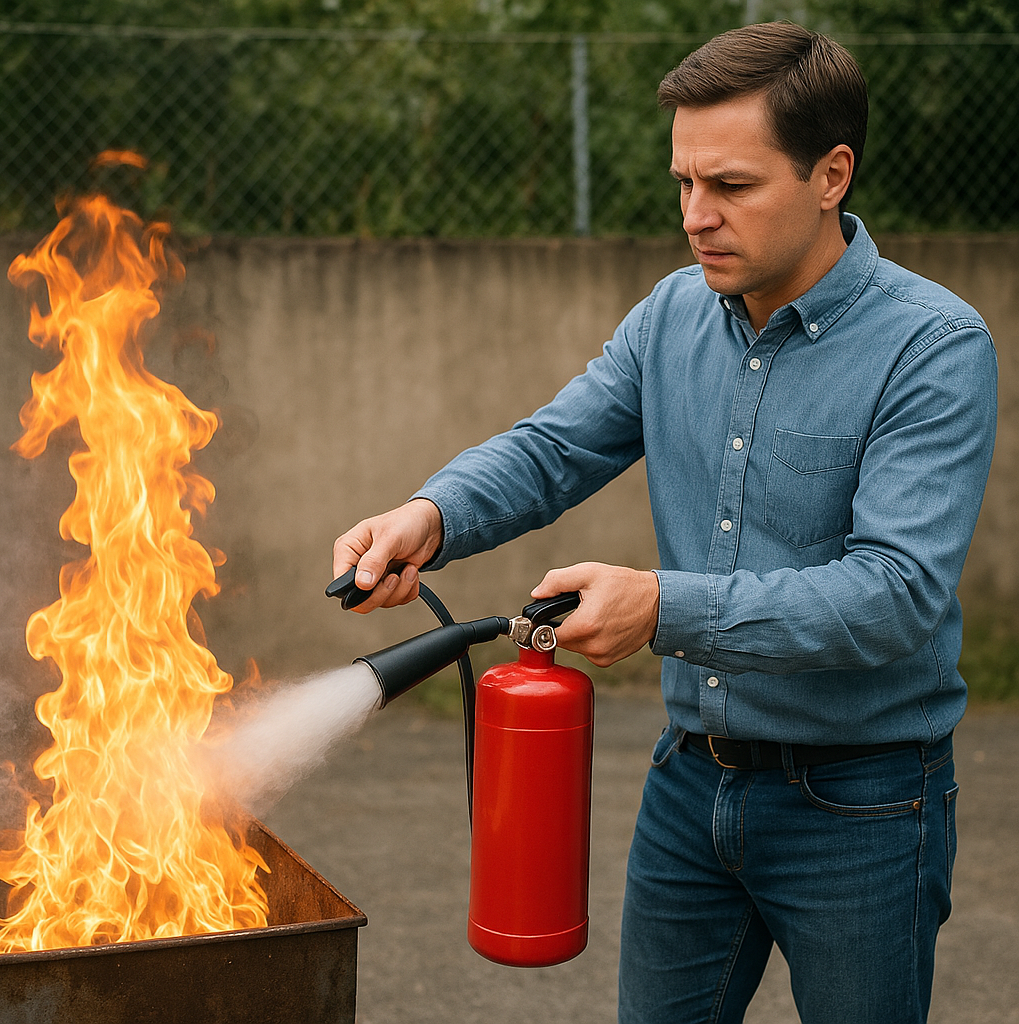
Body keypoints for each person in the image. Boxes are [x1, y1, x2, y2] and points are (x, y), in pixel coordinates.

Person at [332, 21, 997, 1024]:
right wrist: (429, 515)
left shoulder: (932, 347)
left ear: (831, 174)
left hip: (862, 807)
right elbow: (552, 448)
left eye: (730, 185)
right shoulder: (670, 315)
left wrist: (659, 607)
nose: (696, 215)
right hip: (690, 785)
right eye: (683, 182)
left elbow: (893, 595)